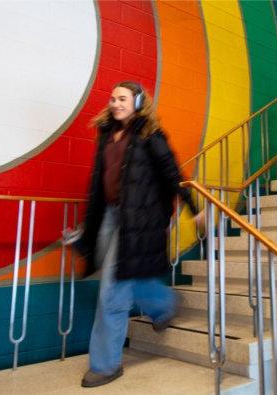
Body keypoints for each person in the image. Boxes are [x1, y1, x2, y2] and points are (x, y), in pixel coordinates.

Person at [71, 81, 202, 388]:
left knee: (112, 289)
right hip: (109, 215)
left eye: (123, 98)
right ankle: (163, 303)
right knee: (125, 273)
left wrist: (194, 209)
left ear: (139, 101)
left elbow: (172, 174)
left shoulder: (150, 135)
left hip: (140, 219)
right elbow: (99, 180)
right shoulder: (106, 134)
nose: (116, 103)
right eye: (113, 98)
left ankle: (105, 364)